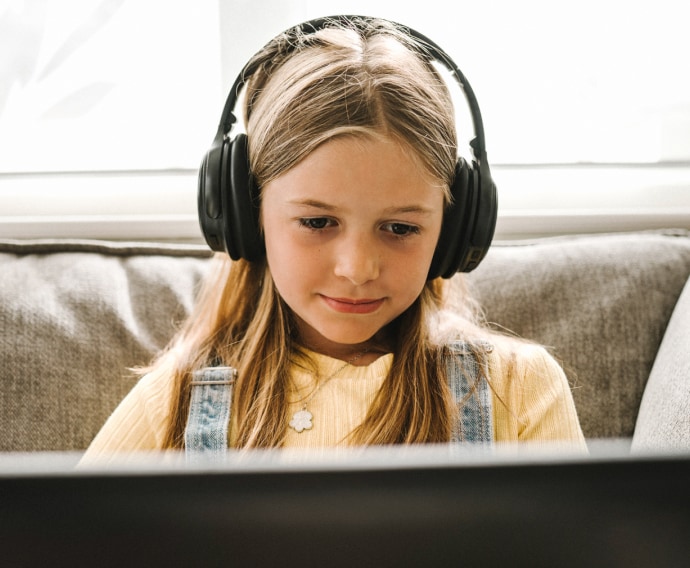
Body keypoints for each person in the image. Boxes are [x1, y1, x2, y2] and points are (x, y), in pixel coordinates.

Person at [83, 16, 585, 460]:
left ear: (454, 231)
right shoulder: (175, 402)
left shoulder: (520, 389)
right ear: (246, 213)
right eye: (318, 223)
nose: (357, 267)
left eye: (401, 228)